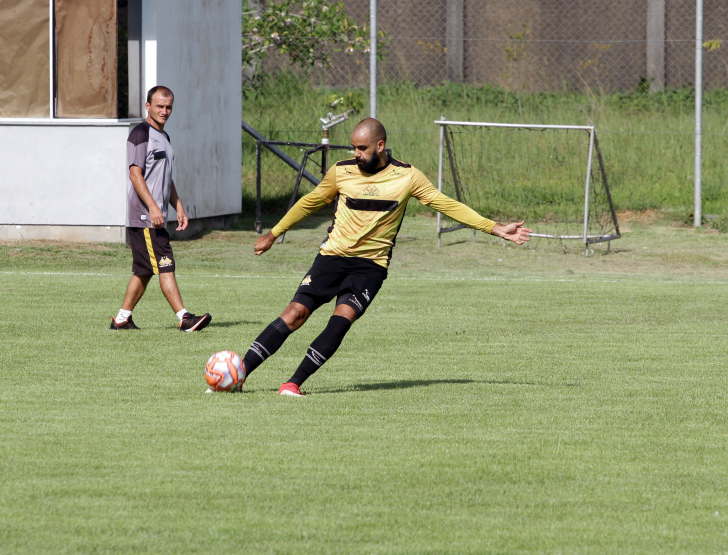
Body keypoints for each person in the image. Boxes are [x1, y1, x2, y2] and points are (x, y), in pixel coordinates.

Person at [241, 118, 530, 395]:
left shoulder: (407, 176)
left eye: (362, 148)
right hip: (332, 257)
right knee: (295, 314)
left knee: (341, 319)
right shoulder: (341, 172)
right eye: (353, 147)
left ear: (380, 146)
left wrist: (495, 228)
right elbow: (310, 202)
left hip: (370, 267)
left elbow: (446, 204)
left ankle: (292, 383)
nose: (356, 154)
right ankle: (238, 373)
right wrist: (274, 233)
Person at [110, 86, 211, 332]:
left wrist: (178, 206)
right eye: (159, 106)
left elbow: (166, 178)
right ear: (148, 106)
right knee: (166, 264)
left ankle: (122, 318)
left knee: (144, 270)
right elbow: (136, 175)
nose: (164, 111)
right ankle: (184, 317)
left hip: (155, 216)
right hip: (145, 217)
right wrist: (154, 208)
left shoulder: (164, 137)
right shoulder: (140, 134)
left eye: (168, 107)